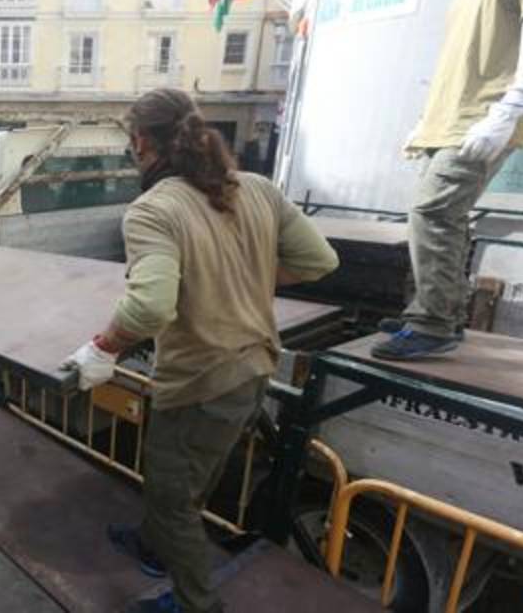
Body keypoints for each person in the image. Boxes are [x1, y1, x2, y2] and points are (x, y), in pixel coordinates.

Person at [61, 89, 338, 613]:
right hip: (255, 367)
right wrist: (245, 279)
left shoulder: (153, 209)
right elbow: (319, 261)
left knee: (172, 503)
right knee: (191, 482)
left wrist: (102, 348)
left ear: (140, 142)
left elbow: (148, 309)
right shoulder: (257, 188)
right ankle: (152, 545)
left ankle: (195, 603)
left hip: (201, 383)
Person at [372, 0, 523, 361]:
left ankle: (433, 322)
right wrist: (428, 118)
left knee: (434, 211)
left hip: (482, 116)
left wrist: (508, 111)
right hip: (451, 118)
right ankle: (433, 312)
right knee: (436, 216)